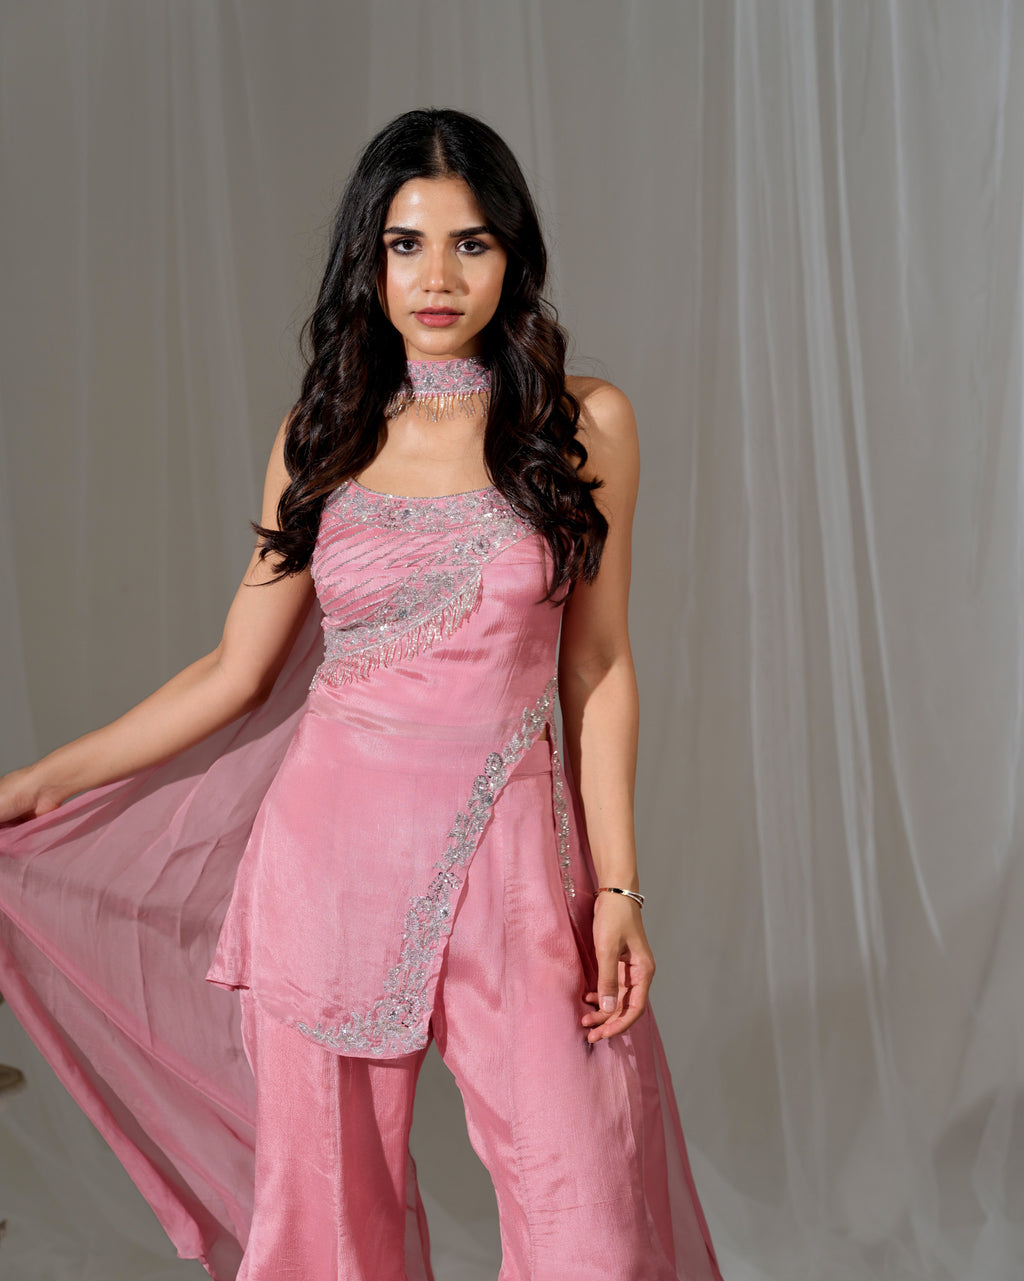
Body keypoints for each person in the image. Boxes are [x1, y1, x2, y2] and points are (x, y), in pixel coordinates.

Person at [0, 108, 723, 1280]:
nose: (436, 277)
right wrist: (33, 783)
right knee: (329, 1233)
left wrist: (620, 885)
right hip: (324, 864)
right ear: (367, 258)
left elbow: (594, 664)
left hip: (515, 867)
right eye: (405, 245)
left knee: (585, 1210)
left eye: (470, 244)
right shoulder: (322, 434)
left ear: (513, 256)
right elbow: (234, 672)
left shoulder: (582, 424)